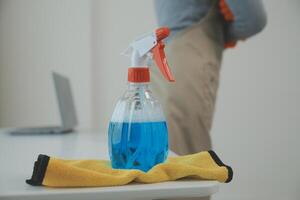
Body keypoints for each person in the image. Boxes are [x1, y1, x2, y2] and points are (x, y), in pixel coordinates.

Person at [152, 0, 266, 184]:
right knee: (186, 171)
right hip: (186, 62)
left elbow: (252, 19)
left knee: (167, 170)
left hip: (163, 59)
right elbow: (253, 19)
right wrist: (222, 33)